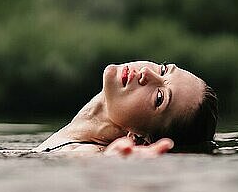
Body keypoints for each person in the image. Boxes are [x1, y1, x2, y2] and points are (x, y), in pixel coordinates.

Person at [35, 60, 218, 156]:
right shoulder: (68, 142)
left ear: (139, 139)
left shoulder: (84, 153)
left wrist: (118, 163)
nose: (147, 73)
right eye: (163, 70)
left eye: (160, 97)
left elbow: (94, 162)